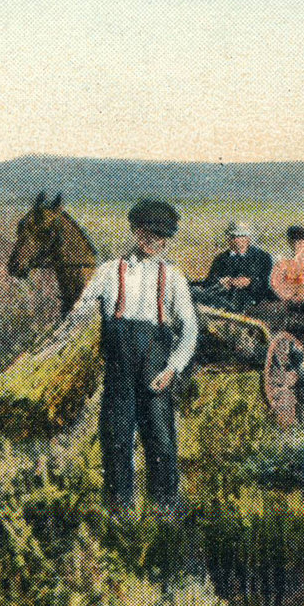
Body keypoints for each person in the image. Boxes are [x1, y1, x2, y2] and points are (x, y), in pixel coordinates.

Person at [66, 199, 200, 511]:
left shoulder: (174, 277)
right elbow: (80, 311)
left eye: (162, 236)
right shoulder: (110, 271)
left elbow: (190, 327)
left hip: (156, 365)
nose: (155, 241)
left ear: (168, 239)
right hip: (119, 366)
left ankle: (165, 507)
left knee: (161, 439)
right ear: (137, 233)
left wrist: (173, 368)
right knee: (115, 438)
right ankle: (119, 508)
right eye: (149, 234)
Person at [198, 220, 276, 312]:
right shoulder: (221, 259)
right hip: (225, 303)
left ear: (248, 238)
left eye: (241, 236)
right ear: (228, 239)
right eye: (234, 236)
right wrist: (222, 282)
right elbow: (209, 282)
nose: (238, 240)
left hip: (255, 303)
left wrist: (250, 282)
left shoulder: (262, 257)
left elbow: (268, 283)